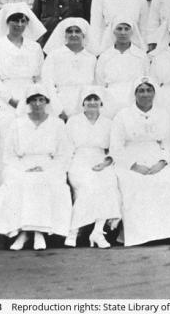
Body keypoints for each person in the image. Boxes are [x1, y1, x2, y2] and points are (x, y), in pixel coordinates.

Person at [0, 85, 72, 250]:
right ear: (28, 102)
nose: (37, 104)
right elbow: (8, 155)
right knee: (17, 183)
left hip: (49, 164)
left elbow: (64, 154)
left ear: (47, 102)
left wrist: (48, 167)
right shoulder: (17, 123)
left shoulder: (57, 124)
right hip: (22, 165)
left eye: (41, 100)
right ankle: (23, 233)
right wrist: (23, 168)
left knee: (47, 182)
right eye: (34, 100)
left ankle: (38, 233)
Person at [109, 78, 170, 247]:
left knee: (167, 181)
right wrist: (134, 166)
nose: (145, 94)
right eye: (141, 90)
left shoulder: (163, 114)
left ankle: (165, 233)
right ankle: (138, 235)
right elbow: (116, 147)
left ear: (154, 93)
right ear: (135, 94)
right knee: (135, 183)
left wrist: (161, 162)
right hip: (130, 160)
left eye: (149, 90)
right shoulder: (122, 115)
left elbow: (168, 143)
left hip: (156, 157)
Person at [0, 3, 45, 204]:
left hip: (30, 100)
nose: (19, 24)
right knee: (4, 148)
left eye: (23, 20)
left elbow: (39, 77)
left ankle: (28, 199)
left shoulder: (34, 47)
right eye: (14, 20)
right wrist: (11, 100)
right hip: (5, 102)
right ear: (7, 22)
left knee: (29, 146)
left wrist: (34, 100)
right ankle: (3, 200)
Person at [64, 87, 121, 248]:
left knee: (109, 184)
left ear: (101, 101)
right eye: (88, 99)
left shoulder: (109, 123)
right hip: (78, 161)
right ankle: (73, 231)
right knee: (88, 186)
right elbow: (67, 148)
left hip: (101, 160)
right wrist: (67, 167)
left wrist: (106, 163)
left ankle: (97, 231)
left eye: (95, 99)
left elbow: (115, 148)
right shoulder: (73, 121)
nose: (92, 102)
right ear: (83, 102)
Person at [41, 17, 97, 121]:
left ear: (84, 34)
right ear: (65, 34)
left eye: (77, 31)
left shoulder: (91, 57)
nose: (73, 34)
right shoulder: (54, 55)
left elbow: (95, 84)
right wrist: (59, 110)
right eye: (69, 31)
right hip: (61, 103)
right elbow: (47, 83)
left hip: (84, 105)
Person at [95, 17, 149, 117]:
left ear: (132, 31)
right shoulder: (105, 56)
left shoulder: (141, 56)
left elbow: (147, 80)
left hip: (134, 101)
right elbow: (100, 83)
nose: (123, 32)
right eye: (119, 29)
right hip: (110, 102)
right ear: (113, 31)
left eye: (126, 29)